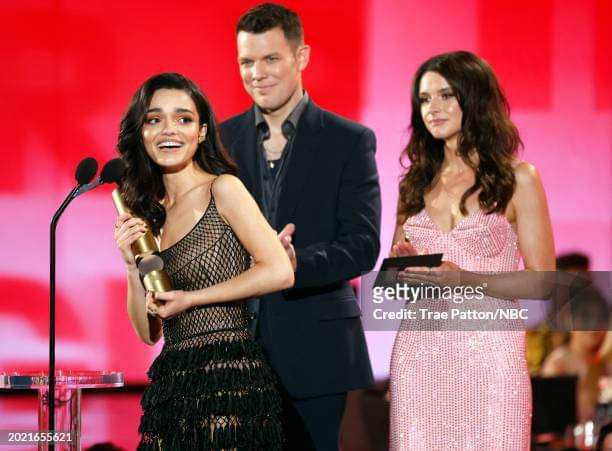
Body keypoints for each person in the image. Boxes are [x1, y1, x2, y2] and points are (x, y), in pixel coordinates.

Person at [219, 4, 381, 449]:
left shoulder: (349, 140)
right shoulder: (220, 140)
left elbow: (363, 244)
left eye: (270, 58)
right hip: (234, 348)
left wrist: (295, 263)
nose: (257, 73)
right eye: (246, 62)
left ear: (301, 57)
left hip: (316, 347)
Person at [113, 72, 294, 450]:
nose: (169, 129)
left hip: (226, 377)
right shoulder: (151, 214)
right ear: (141, 132)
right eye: (154, 119)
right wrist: (131, 266)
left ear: (201, 132)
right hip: (174, 383)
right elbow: (149, 333)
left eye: (183, 118)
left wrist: (191, 299)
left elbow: (279, 271)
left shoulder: (223, 188)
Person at [388, 51, 555, 450]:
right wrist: (401, 270)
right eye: (424, 99)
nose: (433, 108)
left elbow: (544, 282)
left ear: (475, 98)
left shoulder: (518, 179)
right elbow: (396, 287)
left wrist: (463, 279)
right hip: (419, 357)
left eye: (446, 95)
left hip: (491, 359)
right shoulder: (414, 184)